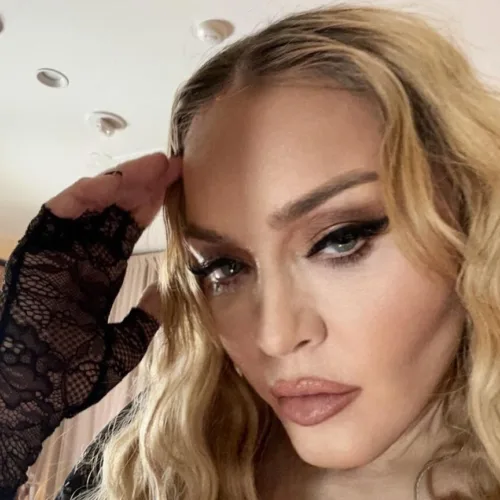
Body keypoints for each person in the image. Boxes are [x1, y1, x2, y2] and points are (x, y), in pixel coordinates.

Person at [2, 4, 500, 499]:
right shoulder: (158, 459)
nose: (274, 338)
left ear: (471, 222)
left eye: (340, 239)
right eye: (225, 267)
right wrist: (15, 398)